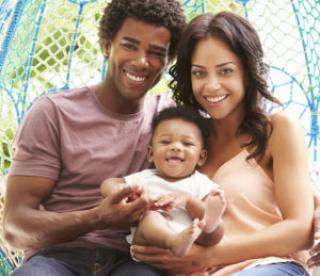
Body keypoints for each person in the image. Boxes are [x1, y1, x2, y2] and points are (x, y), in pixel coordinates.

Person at [3, 0, 185, 275]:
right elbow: (14, 229)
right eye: (129, 45)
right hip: (58, 258)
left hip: (133, 261)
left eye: (156, 52)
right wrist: (98, 217)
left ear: (169, 60)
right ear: (106, 44)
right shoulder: (55, 113)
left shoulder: (172, 119)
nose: (141, 61)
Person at [130, 11, 314, 275]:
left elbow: (300, 230)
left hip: (266, 266)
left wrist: (206, 256)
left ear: (248, 72)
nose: (211, 86)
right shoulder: (187, 141)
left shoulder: (279, 129)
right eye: (199, 73)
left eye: (225, 71)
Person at [101, 106, 226, 258]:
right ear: (151, 154)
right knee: (152, 216)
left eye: (187, 144)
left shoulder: (200, 182)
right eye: (166, 142)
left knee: (215, 230)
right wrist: (123, 190)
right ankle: (173, 241)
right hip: (148, 246)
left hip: (193, 241)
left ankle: (209, 223)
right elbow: (108, 183)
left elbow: (206, 206)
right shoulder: (145, 178)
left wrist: (188, 201)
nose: (175, 147)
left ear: (201, 157)